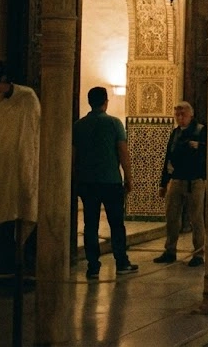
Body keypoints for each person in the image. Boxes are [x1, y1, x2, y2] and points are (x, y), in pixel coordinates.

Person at [71, 87, 137, 278]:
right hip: (110, 182)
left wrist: (75, 180)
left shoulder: (79, 125)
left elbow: (73, 156)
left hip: (87, 183)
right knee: (116, 223)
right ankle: (121, 262)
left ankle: (93, 266)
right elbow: (123, 152)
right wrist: (129, 178)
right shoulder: (114, 123)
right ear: (105, 102)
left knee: (90, 224)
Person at [154, 101, 207, 266]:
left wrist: (199, 146)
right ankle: (170, 250)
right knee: (172, 216)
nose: (180, 117)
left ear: (190, 115)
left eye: (183, 114)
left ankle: (198, 254)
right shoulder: (175, 133)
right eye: (177, 114)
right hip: (177, 179)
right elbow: (168, 157)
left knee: (196, 218)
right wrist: (163, 183)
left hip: (195, 180)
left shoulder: (200, 131)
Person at [0, 64, 39, 276]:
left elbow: (31, 133)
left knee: (20, 211)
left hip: (20, 168)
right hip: (4, 169)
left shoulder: (26, 98)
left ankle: (21, 264)